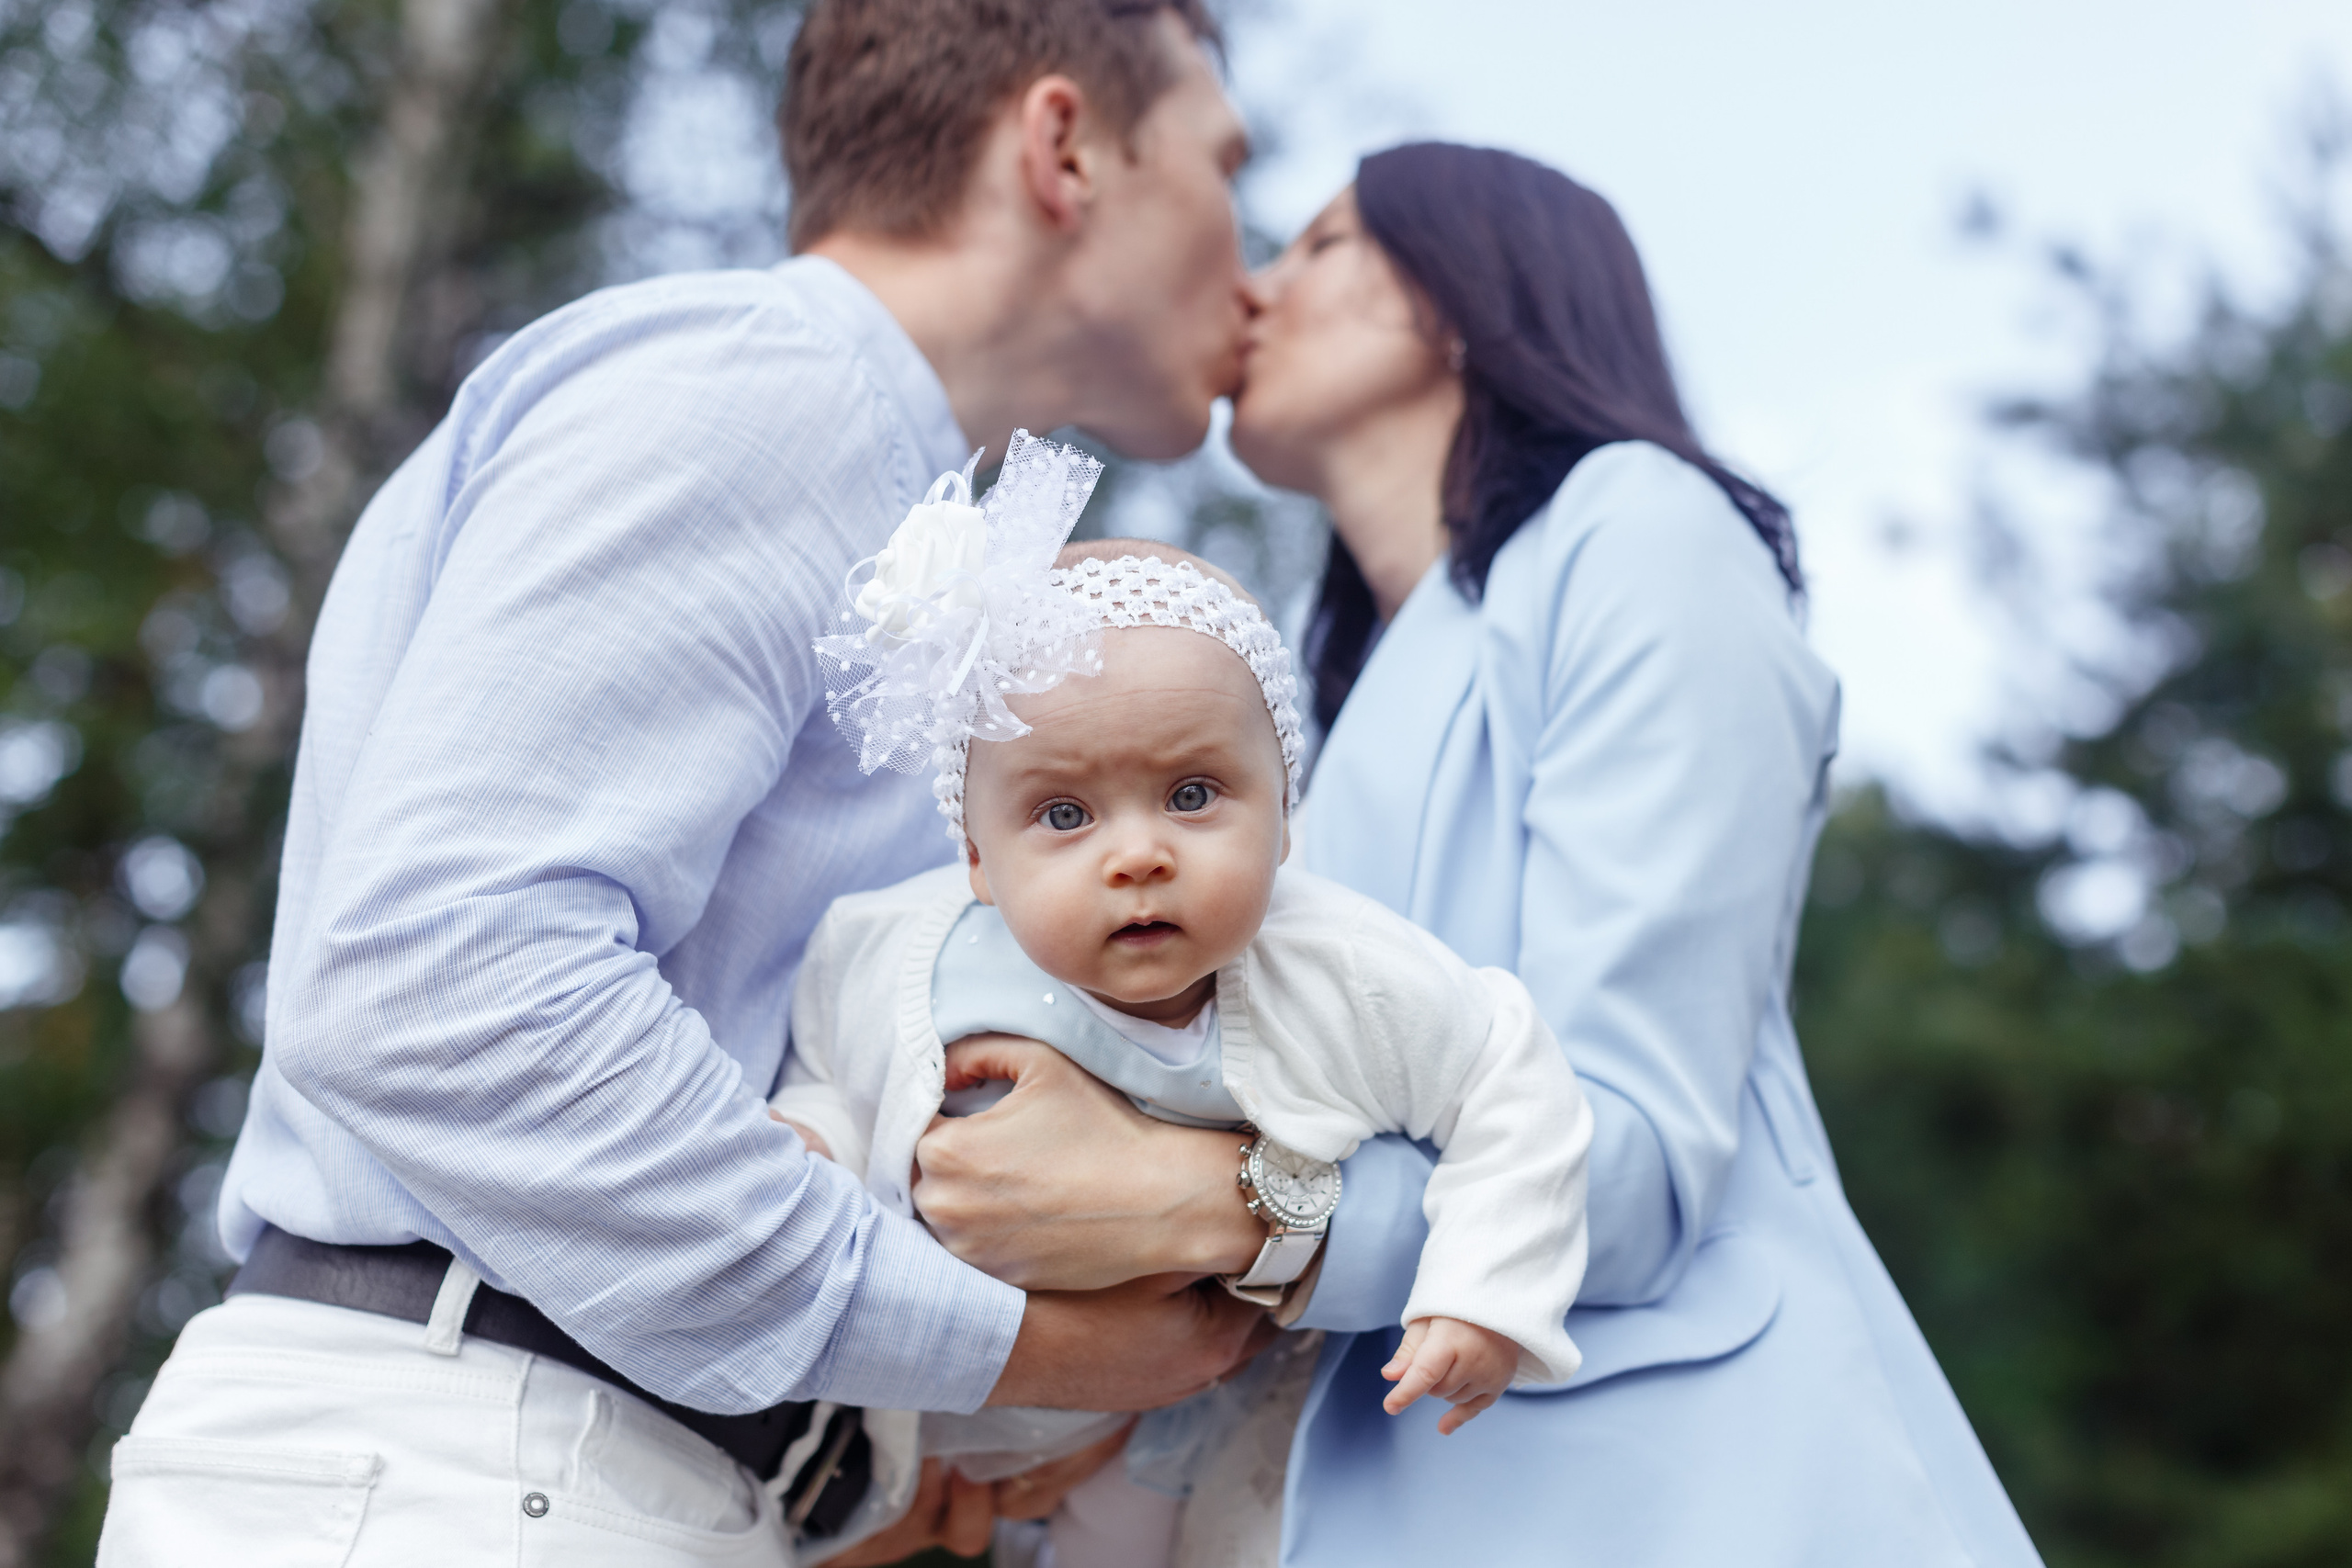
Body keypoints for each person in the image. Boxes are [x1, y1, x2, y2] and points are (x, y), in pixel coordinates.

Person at [96, 5, 1287, 1563]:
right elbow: (444, 986)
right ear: (1064, 147)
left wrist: (862, 1448)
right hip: (473, 1460)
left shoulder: (849, 454)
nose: (1255, 267)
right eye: (1225, 165)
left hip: (545, 1463)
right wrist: (1011, 1347)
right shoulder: (764, 394)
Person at [1200, 141, 2049, 1564]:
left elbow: (1630, 1149)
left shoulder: (1638, 522)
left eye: (1322, 243)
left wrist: (1204, 1212)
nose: (1254, 287)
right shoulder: (1332, 711)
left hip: (1698, 1484)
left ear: (1467, 292)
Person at [772, 424, 1593, 1566]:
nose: (1138, 855)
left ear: (1283, 811)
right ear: (975, 857)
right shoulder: (903, 950)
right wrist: (809, 1137)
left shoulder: (1340, 972)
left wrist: (1482, 1291)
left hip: (1166, 1436)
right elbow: (834, 1071)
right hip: (915, 1432)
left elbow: (1509, 1083)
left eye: (1195, 794)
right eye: (1064, 815)